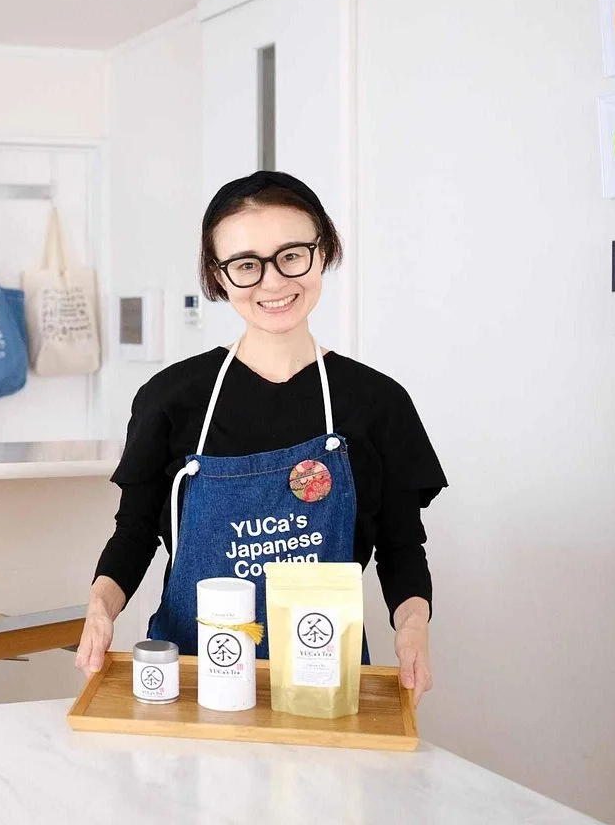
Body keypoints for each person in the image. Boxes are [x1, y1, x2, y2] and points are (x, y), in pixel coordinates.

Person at [75, 171, 445, 706]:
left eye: (292, 255)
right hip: (191, 680)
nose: (273, 283)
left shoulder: (378, 403)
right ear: (218, 277)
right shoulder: (171, 399)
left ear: (324, 252)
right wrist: (100, 610)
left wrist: (412, 626)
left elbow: (400, 545)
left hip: (325, 683)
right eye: (247, 265)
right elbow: (135, 533)